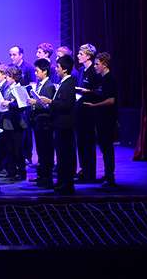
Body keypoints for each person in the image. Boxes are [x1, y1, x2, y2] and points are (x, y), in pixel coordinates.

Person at [38, 54, 77, 194]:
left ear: (65, 69)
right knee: (61, 155)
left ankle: (66, 184)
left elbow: (67, 105)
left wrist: (50, 102)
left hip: (65, 125)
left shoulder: (69, 83)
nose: (56, 69)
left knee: (65, 155)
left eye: (58, 67)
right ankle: (62, 182)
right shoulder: (64, 83)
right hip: (60, 124)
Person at [84, 52, 118, 187]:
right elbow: (101, 94)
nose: (95, 66)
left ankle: (110, 177)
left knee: (107, 147)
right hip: (102, 118)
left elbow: (110, 100)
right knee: (104, 148)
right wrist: (88, 92)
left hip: (107, 119)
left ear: (104, 65)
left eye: (97, 64)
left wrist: (93, 105)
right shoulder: (102, 79)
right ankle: (108, 174)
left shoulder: (109, 80)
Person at [27, 59, 56, 189]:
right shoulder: (40, 84)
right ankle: (41, 175)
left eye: (38, 71)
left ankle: (47, 177)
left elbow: (47, 104)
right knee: (40, 151)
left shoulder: (49, 86)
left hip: (45, 123)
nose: (36, 73)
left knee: (46, 151)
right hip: (38, 122)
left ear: (45, 71)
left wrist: (35, 102)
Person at [75, 43, 101, 183]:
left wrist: (87, 91)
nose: (78, 56)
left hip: (89, 110)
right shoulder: (81, 70)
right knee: (81, 141)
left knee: (88, 142)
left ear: (88, 56)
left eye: (81, 54)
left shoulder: (93, 71)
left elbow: (99, 92)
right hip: (80, 109)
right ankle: (84, 169)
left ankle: (90, 172)